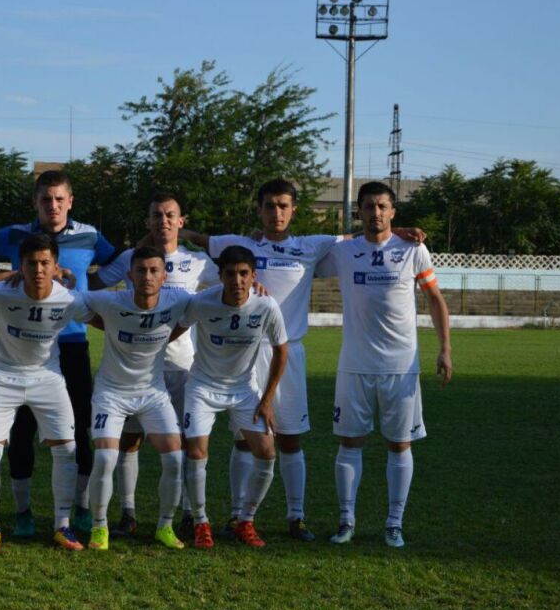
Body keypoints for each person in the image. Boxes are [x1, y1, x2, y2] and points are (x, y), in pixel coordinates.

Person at [183, 178, 424, 541]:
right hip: (248, 354)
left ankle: (295, 517)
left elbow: (362, 235)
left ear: (294, 210)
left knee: (291, 439)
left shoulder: (311, 246)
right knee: (245, 440)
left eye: (283, 205)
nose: (276, 212)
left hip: (289, 353)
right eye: (269, 206)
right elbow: (195, 238)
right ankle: (237, 516)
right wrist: (168, 229)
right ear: (259, 210)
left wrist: (400, 231)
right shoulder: (242, 246)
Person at [0, 170, 119, 536]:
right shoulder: (13, 235)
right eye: (46, 199)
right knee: (22, 431)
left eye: (59, 199)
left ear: (70, 201)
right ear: (35, 202)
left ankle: (81, 507)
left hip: (71, 344)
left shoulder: (90, 235)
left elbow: (117, 263)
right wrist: (1, 276)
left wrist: (85, 285)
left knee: (80, 428)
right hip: (24, 349)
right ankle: (23, 512)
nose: (53, 205)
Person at [316, 181, 452, 548]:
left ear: (393, 211)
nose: (375, 212)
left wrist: (445, 348)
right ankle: (346, 520)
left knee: (400, 445)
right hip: (355, 365)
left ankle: (394, 523)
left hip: (401, 366)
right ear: (358, 211)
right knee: (349, 442)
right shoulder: (343, 252)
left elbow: (435, 299)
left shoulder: (413, 249)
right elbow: (300, 258)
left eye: (382, 206)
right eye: (369, 206)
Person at [89, 192, 218, 537]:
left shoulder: (198, 262)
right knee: (130, 441)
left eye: (170, 215)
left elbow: (228, 289)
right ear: (148, 222)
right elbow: (94, 285)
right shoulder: (130, 259)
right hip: (133, 371)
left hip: (180, 368)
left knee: (183, 443)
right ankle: (128, 511)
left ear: (181, 221)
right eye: (157, 215)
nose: (164, 221)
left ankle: (187, 512)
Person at [0, 234, 92, 553]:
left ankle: (62, 525)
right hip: (2, 377)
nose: (38, 270)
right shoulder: (1, 293)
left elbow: (107, 317)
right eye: (31, 263)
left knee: (67, 448)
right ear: (20, 266)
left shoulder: (69, 299)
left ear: (55, 266)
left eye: (45, 263)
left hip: (47, 378)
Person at [179, 245, 288, 549]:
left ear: (253, 276)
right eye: (230, 274)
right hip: (202, 386)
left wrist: (267, 399)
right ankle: (201, 522)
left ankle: (245, 521)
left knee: (266, 451)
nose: (237, 281)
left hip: (243, 390)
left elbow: (281, 351)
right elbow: (174, 330)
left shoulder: (266, 306)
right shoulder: (201, 302)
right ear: (220, 276)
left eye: (243, 274)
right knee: (197, 451)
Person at [85, 246, 193, 551]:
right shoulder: (109, 301)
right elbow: (73, 300)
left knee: (174, 458)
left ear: (164, 276)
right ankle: (99, 527)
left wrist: (255, 287)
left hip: (153, 394)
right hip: (111, 393)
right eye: (141, 271)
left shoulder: (179, 300)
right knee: (105, 457)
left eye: (154, 270)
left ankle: (164, 526)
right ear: (129, 275)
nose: (147, 276)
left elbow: (213, 302)